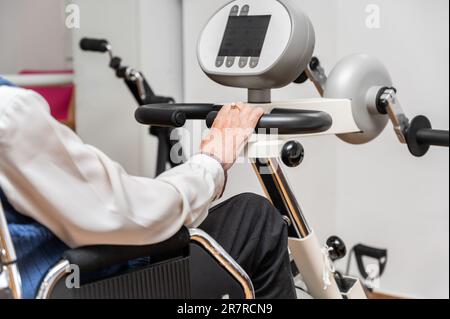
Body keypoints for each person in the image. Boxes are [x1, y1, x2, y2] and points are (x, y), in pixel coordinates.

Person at [0, 82, 296, 299]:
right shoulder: (10, 112)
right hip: (75, 285)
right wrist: (213, 160)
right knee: (253, 218)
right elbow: (130, 214)